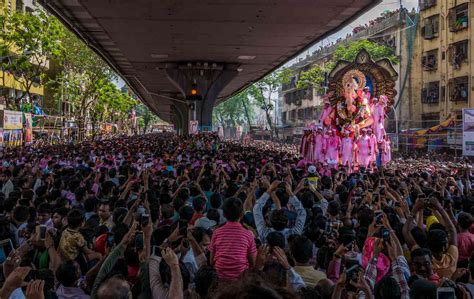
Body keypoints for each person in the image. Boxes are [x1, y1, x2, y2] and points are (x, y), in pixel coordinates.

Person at [210, 197, 257, 281]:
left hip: (219, 276)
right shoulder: (248, 234)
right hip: (240, 277)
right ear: (242, 214)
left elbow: (211, 261)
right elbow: (253, 263)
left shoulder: (216, 232)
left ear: (224, 214)